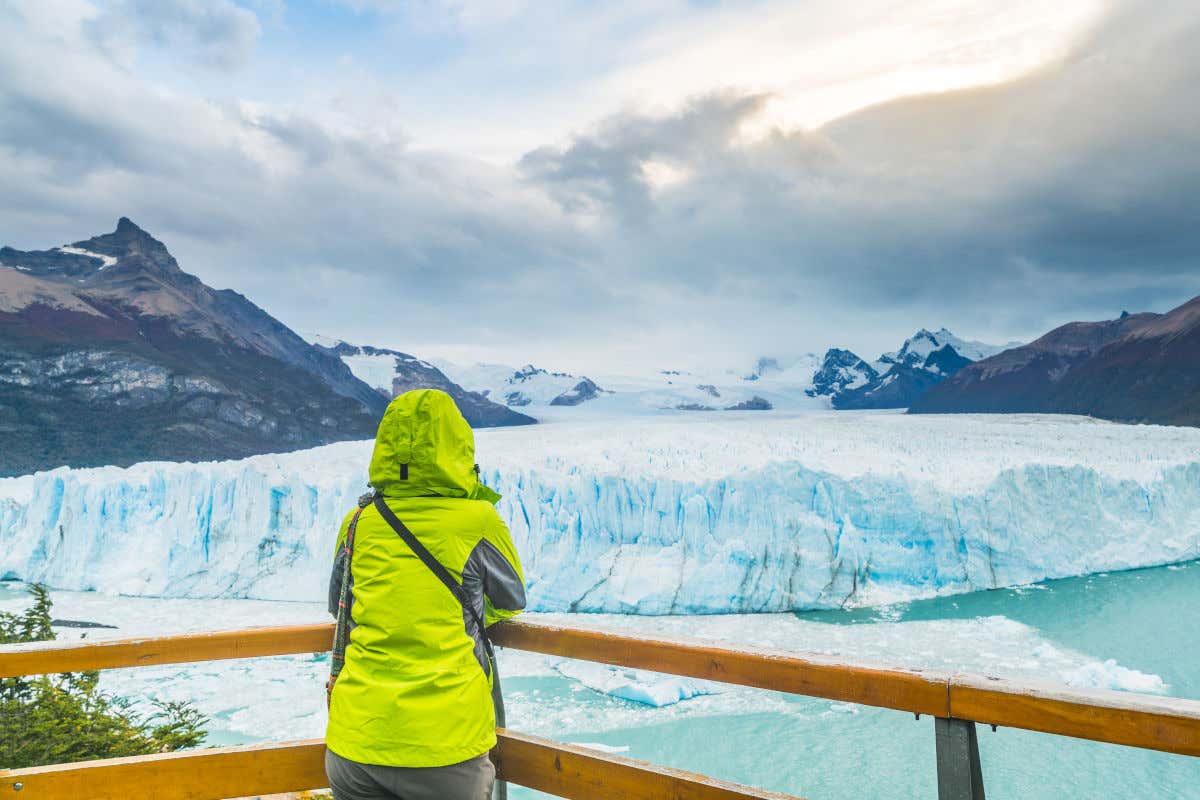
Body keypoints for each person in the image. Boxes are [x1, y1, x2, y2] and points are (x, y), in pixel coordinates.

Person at [325, 388, 526, 800]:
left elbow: (340, 605)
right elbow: (510, 601)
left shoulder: (359, 520)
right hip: (444, 744)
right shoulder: (477, 520)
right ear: (458, 448)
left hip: (356, 741)